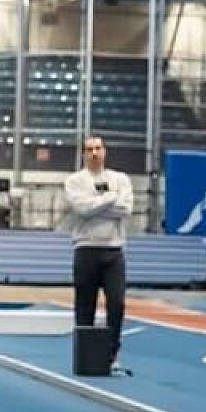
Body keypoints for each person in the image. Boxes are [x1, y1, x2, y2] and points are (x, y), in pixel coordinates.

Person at [63, 135, 133, 371]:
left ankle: (111, 355)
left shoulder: (120, 179)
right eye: (89, 149)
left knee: (117, 304)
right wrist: (110, 198)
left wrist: (97, 204)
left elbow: (125, 209)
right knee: (85, 306)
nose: (94, 153)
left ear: (104, 151)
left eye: (98, 148)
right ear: (83, 154)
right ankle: (85, 356)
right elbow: (82, 209)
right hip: (86, 248)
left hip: (114, 250)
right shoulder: (75, 181)